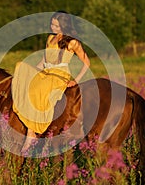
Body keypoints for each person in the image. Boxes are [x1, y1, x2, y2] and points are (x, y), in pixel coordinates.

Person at [11, 11, 90, 153]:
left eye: (56, 25)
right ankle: (26, 123)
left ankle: (32, 132)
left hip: (60, 75)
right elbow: (44, 61)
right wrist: (33, 71)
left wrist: (76, 81)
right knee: (23, 71)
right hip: (47, 72)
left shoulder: (72, 42)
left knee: (37, 90)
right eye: (52, 24)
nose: (53, 28)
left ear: (64, 26)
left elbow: (87, 62)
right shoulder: (50, 38)